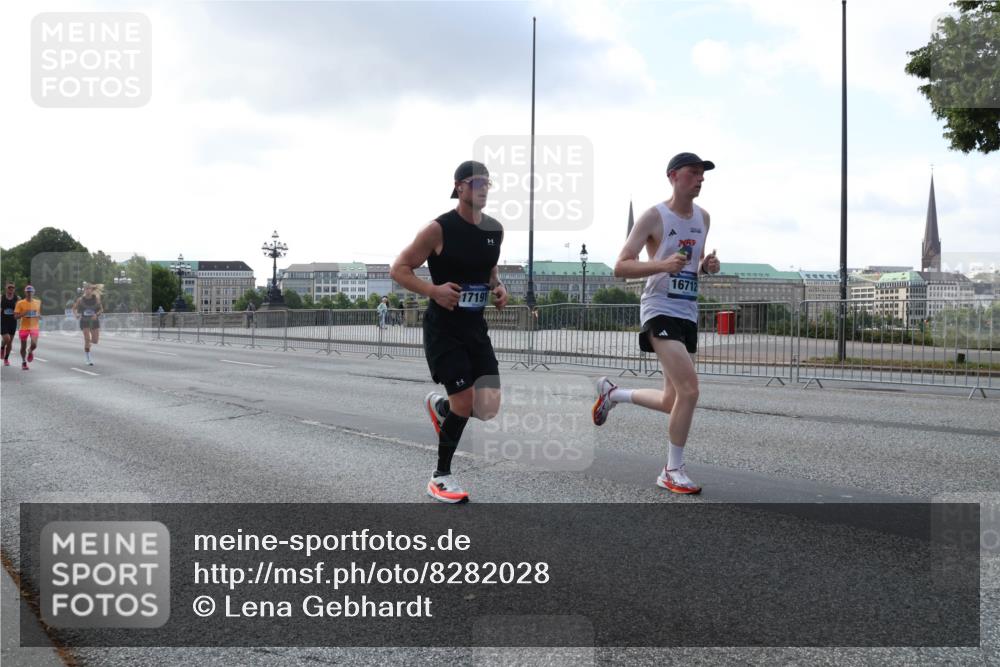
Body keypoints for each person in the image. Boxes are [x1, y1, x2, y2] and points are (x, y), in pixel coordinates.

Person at [592, 152, 721, 494]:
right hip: (659, 308)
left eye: (703, 174)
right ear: (673, 176)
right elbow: (620, 266)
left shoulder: (704, 218)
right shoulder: (654, 216)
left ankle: (614, 393)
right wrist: (661, 266)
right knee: (690, 390)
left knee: (671, 400)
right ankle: (671, 470)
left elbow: (689, 267)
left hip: (686, 310)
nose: (700, 179)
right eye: (694, 173)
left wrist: (705, 267)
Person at [390, 160, 508, 503]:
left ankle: (443, 409)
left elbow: (489, 268)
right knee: (465, 401)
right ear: (459, 187)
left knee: (488, 407)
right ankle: (440, 476)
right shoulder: (437, 229)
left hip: (475, 327)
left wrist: (498, 286)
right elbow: (399, 269)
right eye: (476, 183)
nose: (484, 188)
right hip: (444, 329)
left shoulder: (494, 230)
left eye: (488, 183)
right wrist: (433, 290)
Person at [72, 283, 104, 365]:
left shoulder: (96, 299)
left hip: (94, 321)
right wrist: (76, 314)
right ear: (84, 290)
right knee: (87, 339)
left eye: (89, 289)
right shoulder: (80, 300)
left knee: (95, 341)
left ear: (92, 290)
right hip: (84, 321)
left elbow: (101, 309)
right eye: (86, 289)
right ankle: (88, 358)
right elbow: (74, 308)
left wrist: (96, 315)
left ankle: (89, 345)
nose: (87, 290)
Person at [13, 285, 42, 371]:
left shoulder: (38, 302)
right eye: (28, 292)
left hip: (34, 326)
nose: (29, 293)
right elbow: (15, 317)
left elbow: (38, 314)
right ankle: (23, 362)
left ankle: (30, 351)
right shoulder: (20, 303)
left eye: (31, 292)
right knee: (23, 346)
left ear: (33, 292)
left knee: (34, 344)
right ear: (25, 293)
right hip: (24, 327)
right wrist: (23, 314)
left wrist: (39, 316)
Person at [1, 282, 20, 366]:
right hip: (3, 321)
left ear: (14, 289)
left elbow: (21, 308)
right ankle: (2, 348)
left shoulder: (17, 298)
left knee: (10, 342)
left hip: (13, 321)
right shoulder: (2, 297)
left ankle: (6, 359)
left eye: (12, 287)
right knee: (7, 339)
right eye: (9, 287)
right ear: (6, 288)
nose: (11, 289)